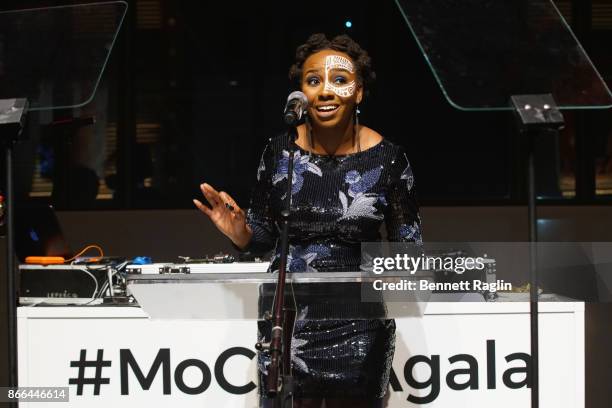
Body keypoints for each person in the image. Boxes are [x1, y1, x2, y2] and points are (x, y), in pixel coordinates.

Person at [194, 33, 422, 408]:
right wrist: (241, 233)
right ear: (301, 94)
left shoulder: (389, 160)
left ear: (359, 92)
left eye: (340, 80)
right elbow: (265, 235)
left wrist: (397, 271)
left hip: (359, 327)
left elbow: (407, 250)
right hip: (288, 320)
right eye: (313, 81)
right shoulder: (279, 151)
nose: (326, 91)